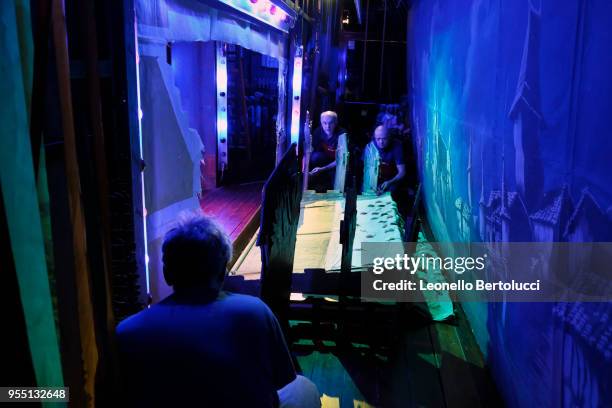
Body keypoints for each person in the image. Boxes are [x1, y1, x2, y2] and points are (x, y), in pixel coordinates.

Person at [115, 213, 320, 408]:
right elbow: (281, 380)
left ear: (167, 273)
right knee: (304, 387)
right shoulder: (256, 312)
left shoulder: (128, 331)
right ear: (223, 272)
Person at [308, 111, 347, 191]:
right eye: (324, 123)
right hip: (325, 159)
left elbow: (341, 160)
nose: (327, 126)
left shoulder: (342, 135)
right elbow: (315, 153)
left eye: (331, 123)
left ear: (336, 123)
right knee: (315, 157)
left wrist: (323, 169)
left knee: (338, 178)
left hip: (337, 161)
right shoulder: (317, 132)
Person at [369, 125, 406, 195]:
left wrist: (389, 182)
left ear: (389, 137)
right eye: (378, 139)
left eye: (384, 139)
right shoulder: (371, 147)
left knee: (390, 192)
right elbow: (366, 171)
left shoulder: (397, 146)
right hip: (376, 179)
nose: (381, 142)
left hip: (392, 179)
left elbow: (402, 172)